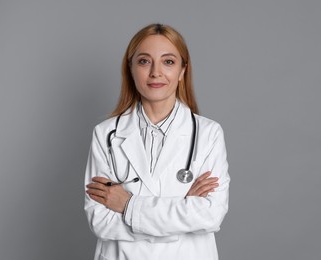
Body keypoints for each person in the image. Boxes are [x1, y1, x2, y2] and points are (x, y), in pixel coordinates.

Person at [84, 23, 230, 260]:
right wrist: (181, 214)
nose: (155, 72)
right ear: (130, 69)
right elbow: (100, 220)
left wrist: (128, 205)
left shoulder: (208, 133)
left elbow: (209, 215)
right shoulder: (106, 134)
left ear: (183, 71)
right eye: (144, 61)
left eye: (168, 61)